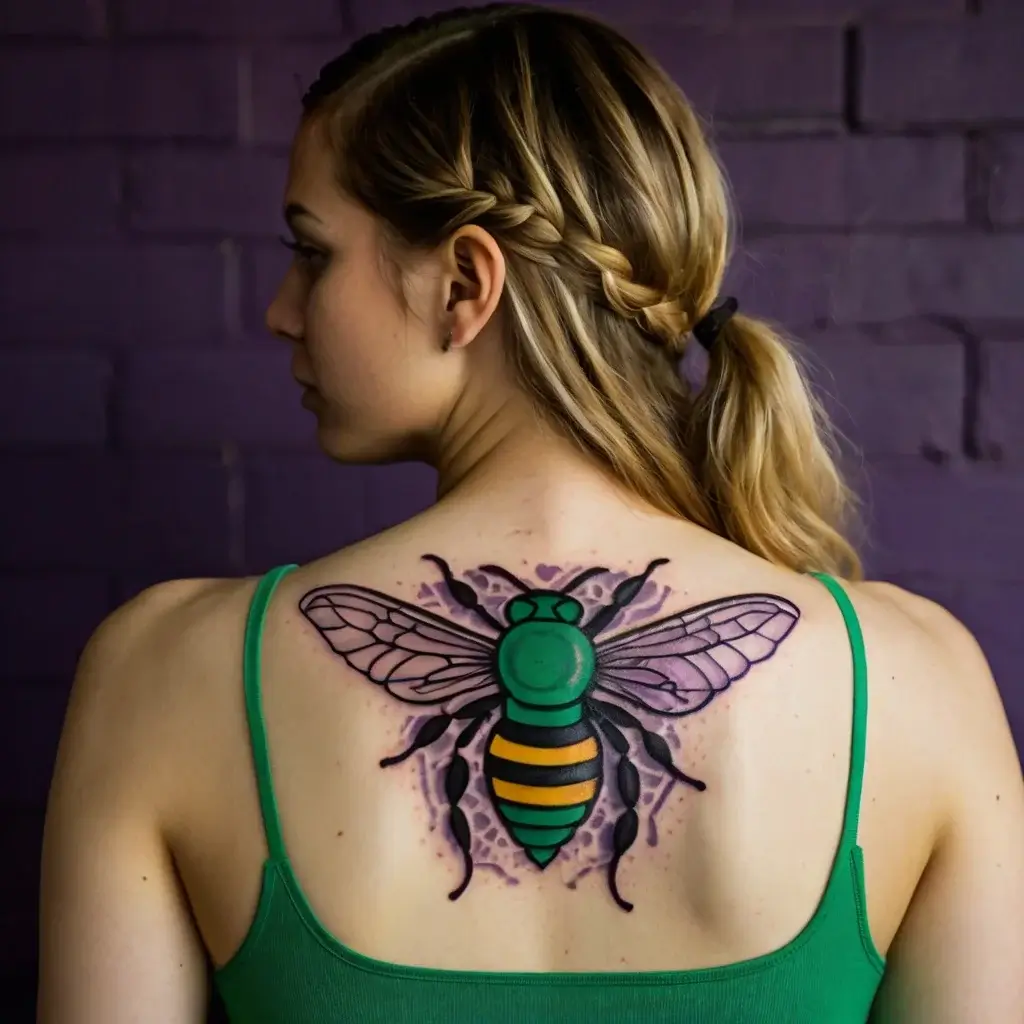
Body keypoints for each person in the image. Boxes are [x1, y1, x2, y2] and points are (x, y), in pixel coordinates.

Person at [37, 5, 1023, 1023]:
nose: (282, 309)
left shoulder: (163, 675)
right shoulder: (916, 687)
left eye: (312, 251)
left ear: (465, 281)